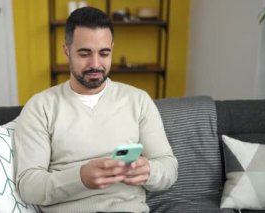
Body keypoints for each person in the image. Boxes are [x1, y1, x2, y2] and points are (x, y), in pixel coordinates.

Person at [14, 6, 178, 213]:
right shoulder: (40, 107)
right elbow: (28, 187)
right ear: (67, 51)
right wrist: (80, 178)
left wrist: (149, 172)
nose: (95, 64)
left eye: (104, 53)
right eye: (84, 53)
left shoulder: (138, 100)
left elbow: (169, 168)